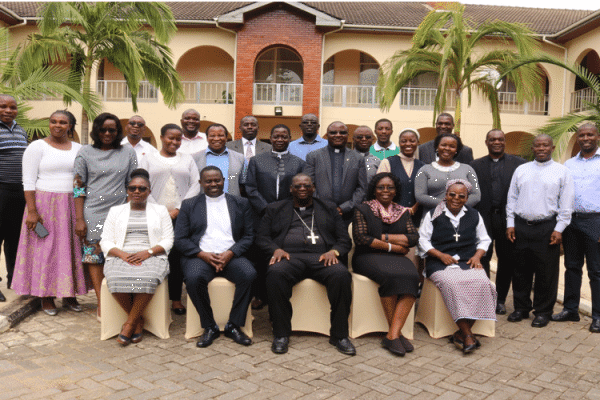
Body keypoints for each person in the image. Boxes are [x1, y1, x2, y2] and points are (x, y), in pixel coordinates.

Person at [257, 174, 355, 356]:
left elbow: (344, 240)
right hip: (289, 258)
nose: (302, 189)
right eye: (298, 186)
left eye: (306, 185)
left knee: (341, 275)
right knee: (275, 274)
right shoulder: (275, 208)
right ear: (291, 189)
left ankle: (340, 335)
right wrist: (275, 250)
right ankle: (281, 334)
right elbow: (262, 237)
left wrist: (334, 252)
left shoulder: (329, 208)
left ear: (313, 188)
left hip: (322, 258)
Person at [13, 110, 88, 315]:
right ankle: (45, 296)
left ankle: (69, 294)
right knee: (45, 249)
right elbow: (28, 181)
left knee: (71, 248)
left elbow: (81, 180)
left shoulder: (80, 149)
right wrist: (32, 212)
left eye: (63, 122)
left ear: (70, 126)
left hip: (72, 204)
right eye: (53, 121)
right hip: (44, 205)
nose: (57, 125)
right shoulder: (37, 147)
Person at [174, 166, 256, 348]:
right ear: (201, 183)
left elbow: (249, 236)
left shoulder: (240, 203)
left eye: (217, 180)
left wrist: (231, 253)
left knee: (249, 274)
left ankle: (234, 325)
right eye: (208, 181)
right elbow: (180, 239)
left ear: (224, 180)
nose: (213, 184)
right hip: (200, 256)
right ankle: (209, 326)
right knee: (194, 279)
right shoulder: (189, 205)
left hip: (231, 255)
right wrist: (202, 254)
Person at [418, 180, 495, 354]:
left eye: (462, 196)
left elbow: (484, 239)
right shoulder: (433, 214)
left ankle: (461, 333)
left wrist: (477, 256)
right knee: (452, 284)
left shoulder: (474, 214)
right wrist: (439, 255)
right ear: (446, 195)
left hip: (468, 261)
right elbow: (423, 240)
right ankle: (468, 334)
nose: (456, 198)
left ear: (467, 198)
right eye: (452, 194)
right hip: (439, 261)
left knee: (484, 284)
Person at [74, 112, 138, 319]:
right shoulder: (85, 152)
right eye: (103, 129)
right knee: (95, 258)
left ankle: (120, 300)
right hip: (92, 212)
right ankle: (102, 303)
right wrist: (79, 218)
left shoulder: (127, 152)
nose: (107, 133)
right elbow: (78, 187)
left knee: (117, 255)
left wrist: (130, 212)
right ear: (96, 131)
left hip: (120, 211)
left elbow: (133, 183)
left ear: (119, 132)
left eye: (112, 129)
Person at [506, 134, 574, 328]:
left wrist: (559, 228)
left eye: (546, 145)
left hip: (547, 227)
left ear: (552, 148)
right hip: (520, 226)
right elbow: (512, 198)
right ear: (533, 149)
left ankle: (543, 311)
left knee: (546, 272)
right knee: (520, 270)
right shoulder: (521, 170)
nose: (542, 148)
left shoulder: (562, 171)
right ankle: (521, 307)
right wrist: (510, 223)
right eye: (538, 146)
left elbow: (566, 203)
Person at [100, 168, 174, 345]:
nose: (137, 192)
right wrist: (123, 255)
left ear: (149, 191)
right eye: (132, 188)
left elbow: (169, 239)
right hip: (121, 254)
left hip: (152, 254)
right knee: (114, 278)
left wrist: (147, 253)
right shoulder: (115, 211)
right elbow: (105, 240)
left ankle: (130, 323)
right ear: (127, 189)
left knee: (148, 277)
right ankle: (138, 321)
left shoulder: (160, 210)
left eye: (142, 189)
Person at [352, 172, 419, 356]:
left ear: (396, 190)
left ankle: (392, 335)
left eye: (390, 187)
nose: (385, 191)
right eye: (381, 187)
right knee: (391, 276)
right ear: (374, 189)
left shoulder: (403, 212)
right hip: (366, 257)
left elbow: (413, 238)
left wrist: (382, 237)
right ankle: (396, 334)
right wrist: (395, 247)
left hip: (394, 259)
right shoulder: (362, 209)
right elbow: (362, 239)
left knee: (413, 277)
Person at [140, 123, 200, 315]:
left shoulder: (187, 159)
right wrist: (159, 210)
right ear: (162, 137)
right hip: (154, 215)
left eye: (178, 139)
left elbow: (196, 185)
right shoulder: (148, 159)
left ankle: (175, 299)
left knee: (176, 258)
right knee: (156, 255)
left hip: (182, 217)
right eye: (170, 138)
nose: (174, 142)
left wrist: (178, 210)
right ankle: (154, 299)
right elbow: (141, 184)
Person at [245, 124, 306, 310]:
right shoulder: (256, 160)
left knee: (282, 254)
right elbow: (250, 188)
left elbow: (299, 190)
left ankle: (278, 296)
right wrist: (266, 208)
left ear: (289, 139)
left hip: (288, 215)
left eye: (284, 136)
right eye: (276, 136)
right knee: (261, 256)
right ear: (270, 138)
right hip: (261, 215)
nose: (280, 139)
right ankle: (260, 295)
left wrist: (285, 209)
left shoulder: (298, 162)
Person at [470, 129, 526, 314]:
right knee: (482, 257)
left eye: (500, 139)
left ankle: (500, 299)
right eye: (492, 139)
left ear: (504, 142)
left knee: (507, 260)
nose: (497, 142)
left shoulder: (519, 164)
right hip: (482, 217)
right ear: (486, 142)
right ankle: (485, 296)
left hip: (507, 220)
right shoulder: (475, 165)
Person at [552, 123, 600, 332]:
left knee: (596, 271)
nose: (585, 138)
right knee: (572, 267)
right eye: (582, 135)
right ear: (578, 138)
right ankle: (570, 309)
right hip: (572, 221)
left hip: (596, 221)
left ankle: (598, 316)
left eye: (590, 134)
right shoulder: (569, 164)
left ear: (597, 136)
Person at [304, 121, 367, 224]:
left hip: (349, 215)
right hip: (320, 212)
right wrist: (324, 206)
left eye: (342, 132)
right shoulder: (314, 156)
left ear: (347, 135)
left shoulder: (358, 158)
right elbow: (308, 185)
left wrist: (344, 208)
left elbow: (362, 188)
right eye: (333, 132)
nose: (338, 135)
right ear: (327, 135)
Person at [415, 133, 480, 218]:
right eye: (443, 145)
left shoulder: (468, 169)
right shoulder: (424, 170)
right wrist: (447, 205)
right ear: (437, 147)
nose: (447, 148)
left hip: (462, 218)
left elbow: (476, 195)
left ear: (457, 149)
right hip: (433, 218)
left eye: (452, 146)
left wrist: (457, 206)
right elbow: (420, 196)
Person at [0, 94, 27, 300]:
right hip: (1, 190)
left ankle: (13, 279)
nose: (8, 110)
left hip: (19, 191)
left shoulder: (21, 130)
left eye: (12, 107)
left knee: (15, 238)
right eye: (3, 106)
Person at [378, 128, 424, 224]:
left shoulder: (423, 166)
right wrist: (399, 209)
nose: (408, 144)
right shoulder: (387, 162)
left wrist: (414, 208)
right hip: (391, 217)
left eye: (412, 141)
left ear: (418, 143)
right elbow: (380, 190)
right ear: (399, 143)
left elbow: (425, 191)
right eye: (404, 141)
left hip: (416, 218)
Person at [193, 124, 245, 197]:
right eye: (212, 136)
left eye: (220, 135)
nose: (216, 138)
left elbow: (244, 185)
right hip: (203, 204)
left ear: (226, 138)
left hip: (232, 205)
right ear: (207, 138)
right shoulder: (195, 158)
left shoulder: (240, 158)